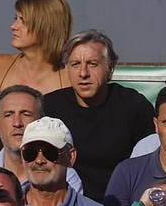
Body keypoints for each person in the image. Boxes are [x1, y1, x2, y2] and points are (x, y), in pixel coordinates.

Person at [42, 30, 154, 196]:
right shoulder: (49, 107)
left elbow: (150, 164)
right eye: (75, 64)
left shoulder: (133, 106)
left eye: (92, 64)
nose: (83, 73)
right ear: (66, 69)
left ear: (110, 68)